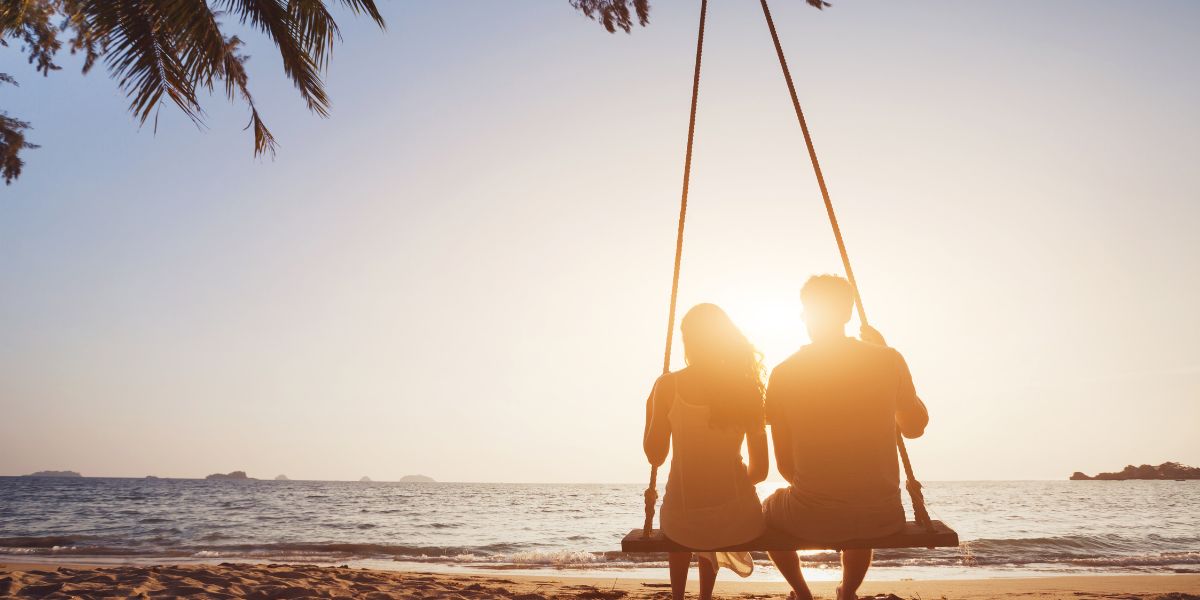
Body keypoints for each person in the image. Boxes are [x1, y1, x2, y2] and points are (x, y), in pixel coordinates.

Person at [762, 275, 929, 600]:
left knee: (767, 512)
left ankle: (801, 592)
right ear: (849, 312)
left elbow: (785, 467)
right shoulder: (888, 359)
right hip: (883, 517)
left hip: (811, 517)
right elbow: (915, 427)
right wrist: (883, 354)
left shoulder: (783, 373)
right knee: (859, 506)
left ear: (806, 314)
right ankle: (847, 592)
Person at [643, 303, 770, 600]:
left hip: (682, 518)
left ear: (687, 340)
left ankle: (677, 597)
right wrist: (728, 489)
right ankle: (705, 597)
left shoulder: (668, 386)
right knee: (712, 513)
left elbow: (655, 455)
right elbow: (761, 471)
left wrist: (652, 406)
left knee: (686, 516)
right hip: (738, 519)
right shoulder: (747, 388)